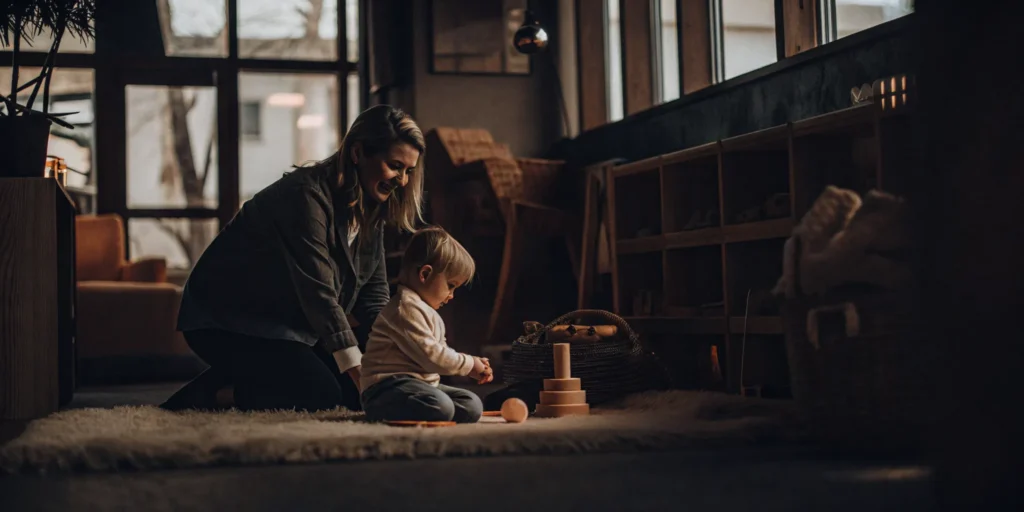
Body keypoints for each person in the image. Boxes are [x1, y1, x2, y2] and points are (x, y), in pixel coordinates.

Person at [160, 105, 425, 412]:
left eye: (409, 171)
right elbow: (320, 295)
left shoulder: (371, 210)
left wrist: (401, 352)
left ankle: (251, 374)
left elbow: (373, 296)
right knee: (321, 394)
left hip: (287, 327)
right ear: (358, 153)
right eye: (395, 166)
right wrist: (358, 371)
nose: (402, 181)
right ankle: (208, 398)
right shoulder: (304, 197)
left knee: (356, 394)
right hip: (225, 320)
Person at [360, 226, 493, 423]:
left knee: (472, 405)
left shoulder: (426, 309)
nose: (451, 295)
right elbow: (433, 357)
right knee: (441, 406)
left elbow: (440, 350)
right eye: (450, 285)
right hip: (386, 388)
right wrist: (469, 364)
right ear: (425, 274)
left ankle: (432, 409)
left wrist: (471, 361)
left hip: (422, 386)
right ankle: (380, 411)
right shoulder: (405, 308)